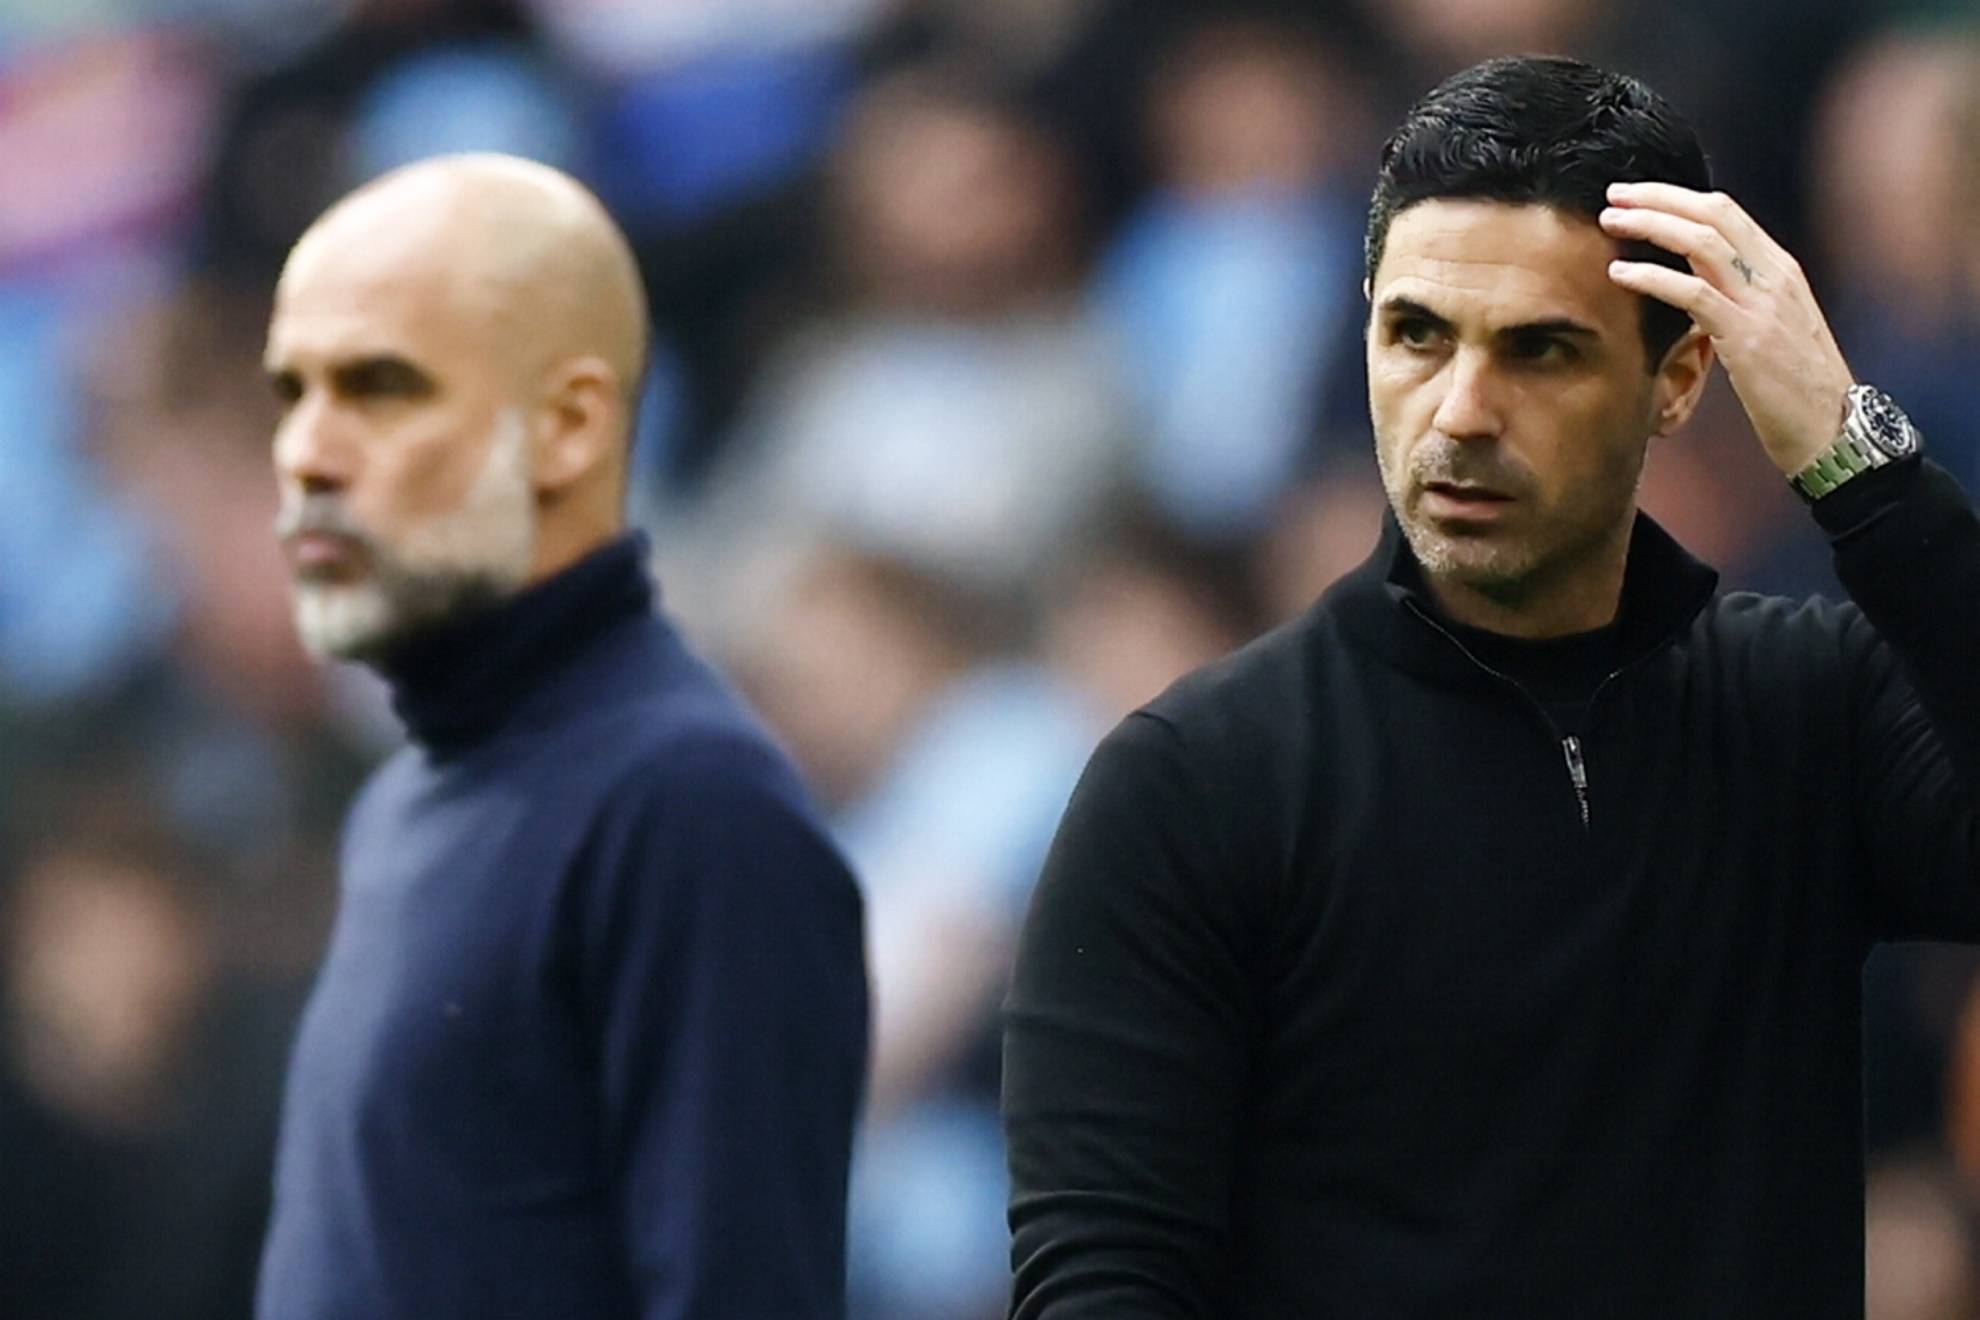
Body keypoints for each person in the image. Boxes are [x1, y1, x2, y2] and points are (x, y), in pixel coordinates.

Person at [1002, 54, 1980, 1318]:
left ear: (1680, 379)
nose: (1460, 411)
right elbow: (1101, 1282)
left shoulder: (1809, 706)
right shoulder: (1197, 782)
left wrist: (1862, 468)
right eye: (1415, 334)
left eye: (1541, 350)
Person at [253, 153, 868, 1319]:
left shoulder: (689, 807)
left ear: (570, 426)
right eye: (291, 391)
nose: (306, 453)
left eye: (380, 384)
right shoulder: (408, 797)